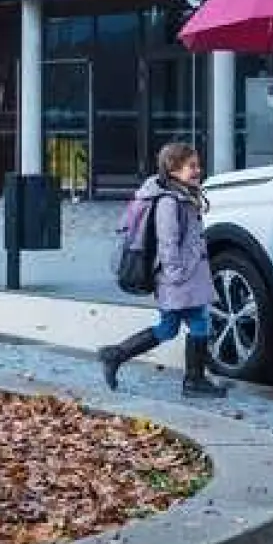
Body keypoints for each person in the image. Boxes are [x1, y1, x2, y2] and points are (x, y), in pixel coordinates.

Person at [97, 142, 228, 399]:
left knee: (169, 328)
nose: (198, 170)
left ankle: (116, 355)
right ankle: (194, 381)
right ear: (173, 168)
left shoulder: (181, 194)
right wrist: (176, 274)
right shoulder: (170, 201)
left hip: (182, 276)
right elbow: (167, 241)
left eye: (198, 165)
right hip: (178, 277)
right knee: (199, 324)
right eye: (191, 166)